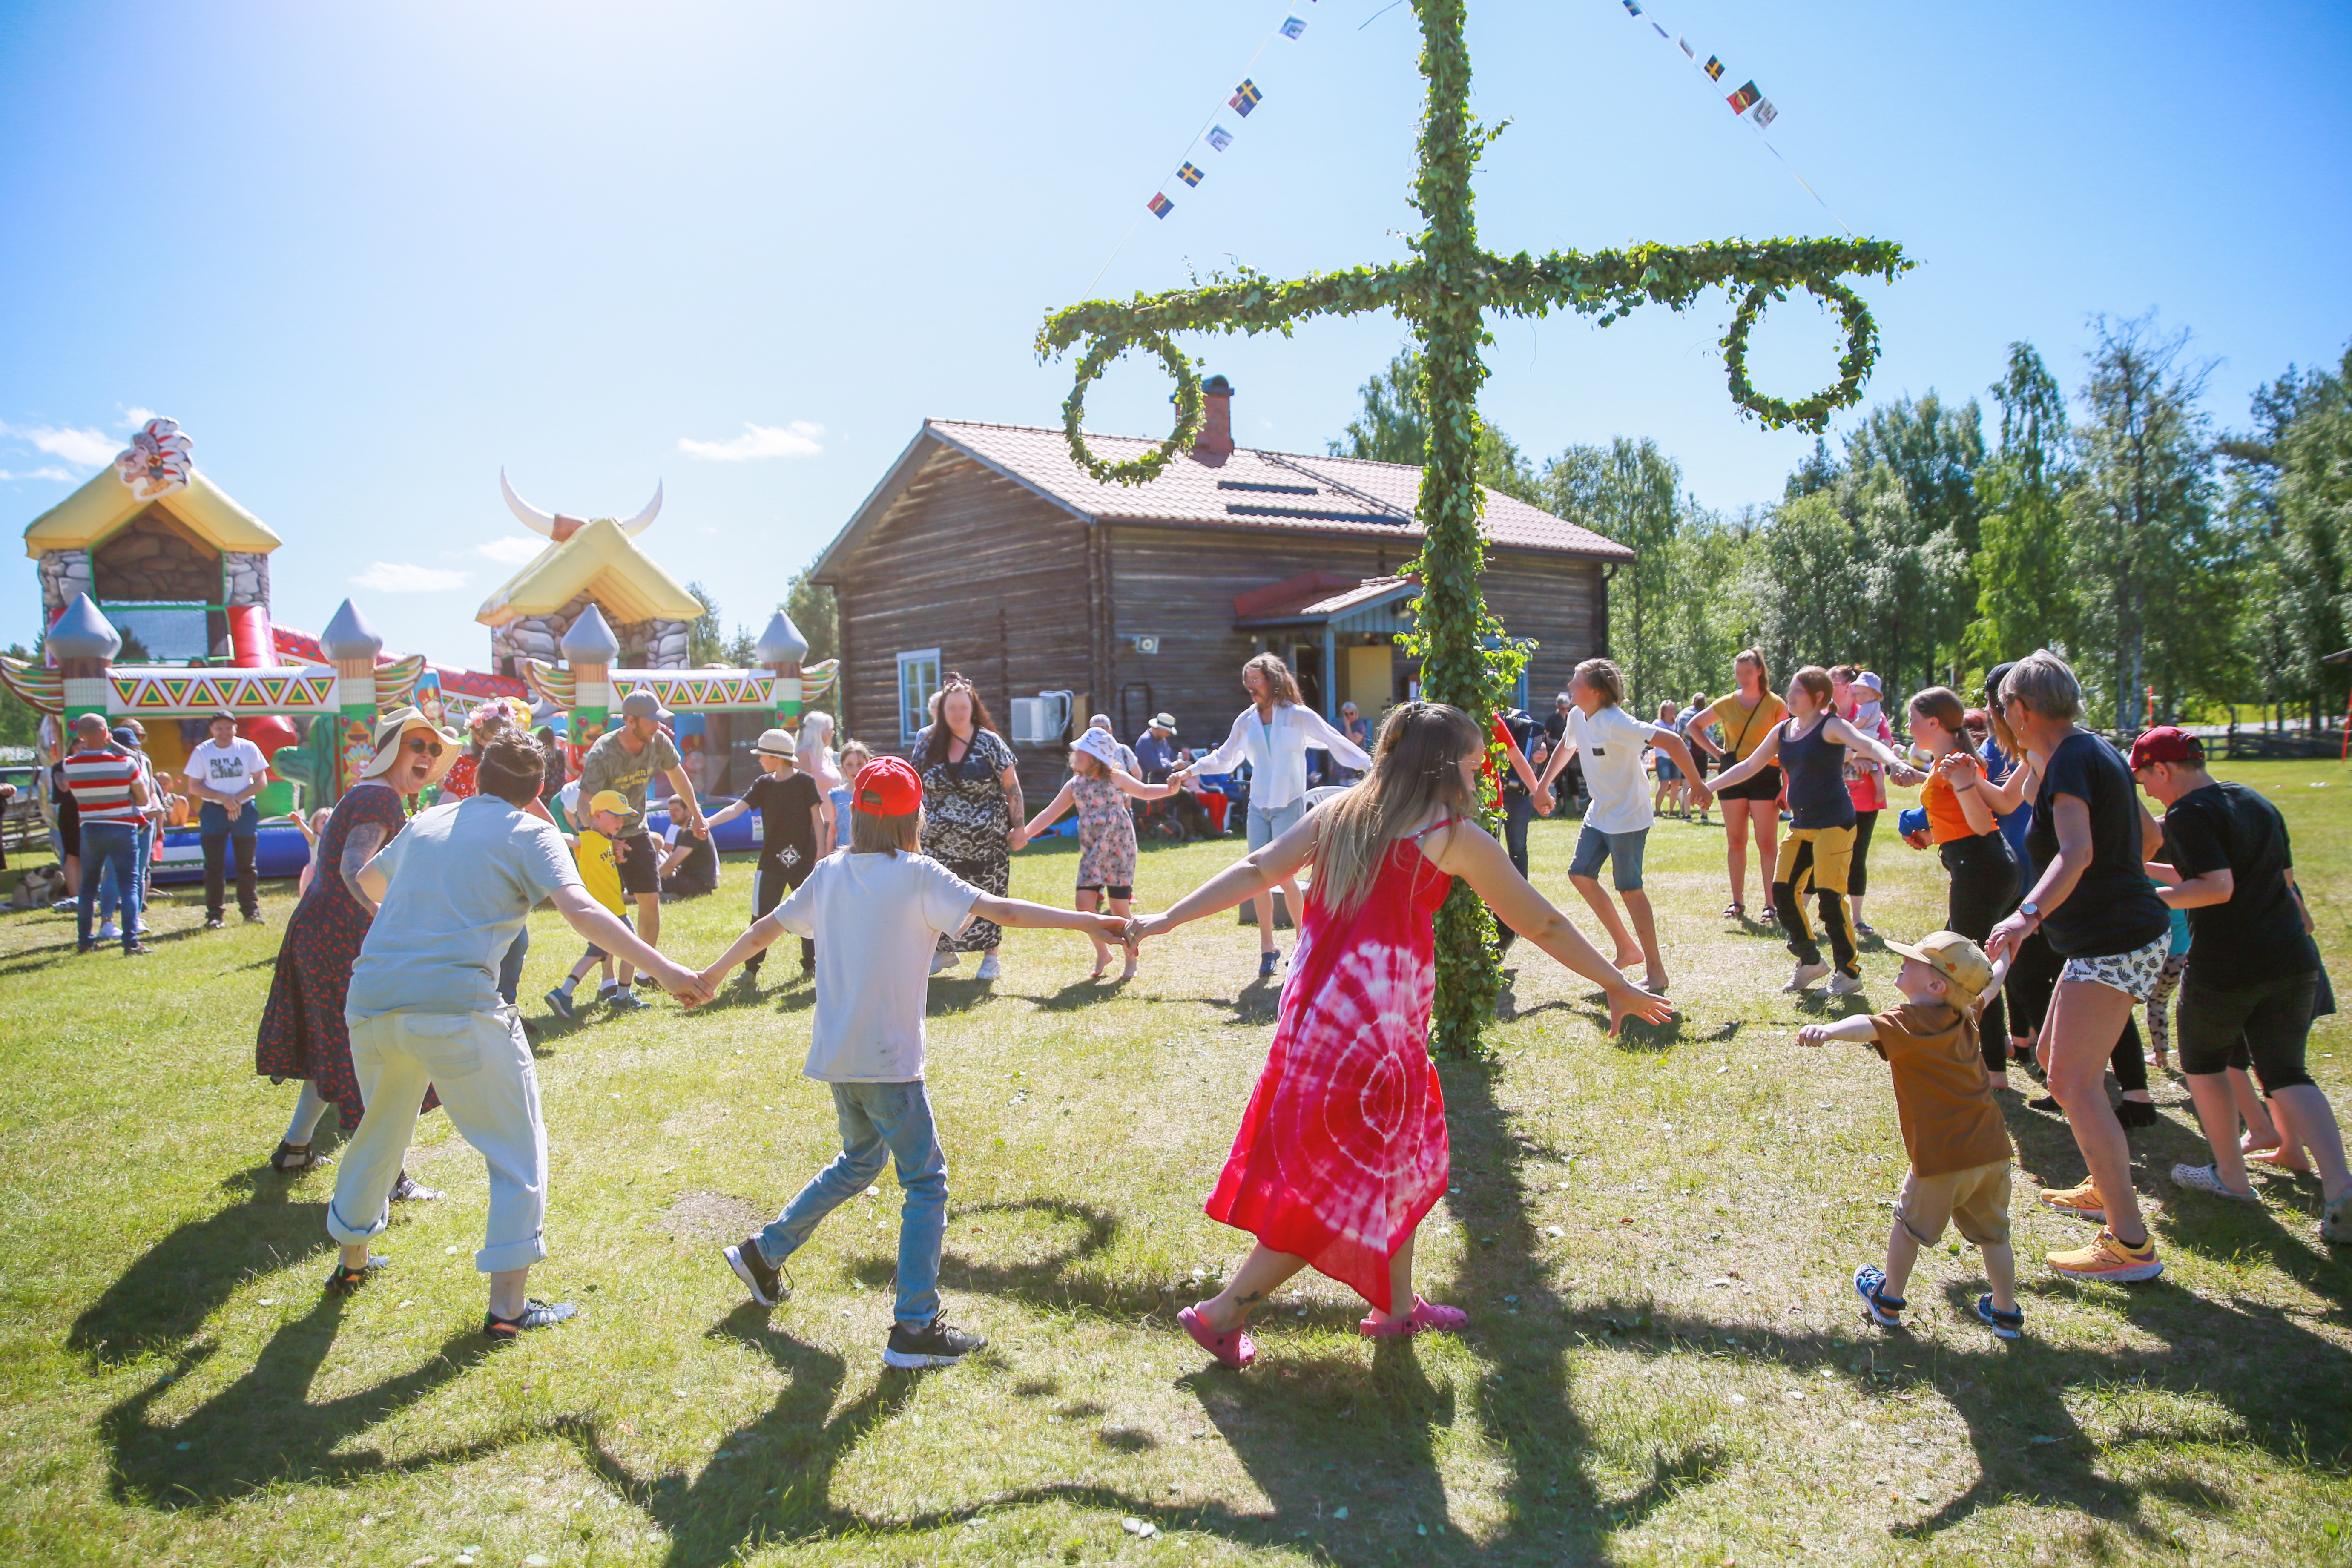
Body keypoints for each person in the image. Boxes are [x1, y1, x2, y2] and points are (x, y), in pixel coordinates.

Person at [1126, 702, 1673, 1369]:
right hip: (1371, 1036)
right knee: (1339, 1180)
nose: (1481, 772)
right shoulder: (1447, 834)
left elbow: (1256, 871)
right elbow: (1544, 924)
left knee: (1399, 1157)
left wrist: (1166, 919)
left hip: (1317, 1018)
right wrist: (1613, 980)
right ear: (1443, 768)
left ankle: (1395, 1307)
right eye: (1475, 762)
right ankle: (1222, 1312)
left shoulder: (1340, 812)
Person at [704, 756, 1126, 1366]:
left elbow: (764, 928)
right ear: (914, 819)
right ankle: (914, 1328)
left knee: (857, 1162)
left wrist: (710, 974)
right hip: (889, 1065)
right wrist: (1090, 919)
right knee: (925, 1183)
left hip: (840, 1060)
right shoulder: (919, 875)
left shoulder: (828, 874)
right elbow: (1003, 912)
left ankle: (762, 1254)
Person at [326, 732, 713, 1335]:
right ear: (537, 793)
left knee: (380, 1127)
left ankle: (352, 1262)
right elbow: (580, 910)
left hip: (372, 998)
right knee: (516, 1150)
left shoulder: (429, 819)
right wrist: (665, 970)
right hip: (455, 1004)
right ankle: (507, 1309)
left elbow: (370, 884)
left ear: (478, 776)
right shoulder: (530, 832)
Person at [1984, 650, 2170, 1284]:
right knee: (2066, 1074)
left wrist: (2024, 915)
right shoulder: (2094, 750)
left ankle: (2129, 1244)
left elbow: (2076, 850)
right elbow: (2146, 840)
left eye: (2004, 707)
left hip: (2112, 940)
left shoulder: (2067, 760)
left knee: (2075, 1084)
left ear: (2020, 709)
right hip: (2110, 936)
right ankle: (2105, 1185)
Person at [2129, 727, 2350, 1242]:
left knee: (2202, 1064)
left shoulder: (2188, 813)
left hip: (2230, 964)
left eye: (2146, 783)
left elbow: (2216, 885)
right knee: (2287, 1071)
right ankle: (2341, 1186)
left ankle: (2231, 1177)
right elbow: (2266, 877)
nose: (2150, 795)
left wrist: (2147, 899)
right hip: (2293, 957)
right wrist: (2139, 868)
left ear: (2163, 771)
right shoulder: (2253, 801)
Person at [255, 706, 459, 1185]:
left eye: (434, 749)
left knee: (336, 1047)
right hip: (339, 938)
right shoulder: (380, 800)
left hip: (322, 931)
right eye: (418, 745)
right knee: (376, 1057)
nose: (428, 756)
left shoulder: (377, 795)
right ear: (391, 750)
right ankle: (390, 1178)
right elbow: (354, 868)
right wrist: (391, 924)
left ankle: (295, 1150)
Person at [1798, 931, 2024, 1339]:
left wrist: (1828, 1031)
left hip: (1940, 1158)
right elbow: (1991, 985)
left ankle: (1887, 1301)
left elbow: (1864, 1026)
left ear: (1936, 985)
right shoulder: (1967, 1013)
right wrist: (2003, 956)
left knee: (1907, 1226)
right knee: (1995, 1235)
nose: (1903, 961)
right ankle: (2006, 1314)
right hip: (1991, 1150)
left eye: (1913, 961)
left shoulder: (1909, 1021)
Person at [1708, 666, 1919, 996]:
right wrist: (1710, 787)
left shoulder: (1831, 725)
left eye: (1796, 692)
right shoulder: (1783, 730)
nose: (1789, 697)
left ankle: (1849, 974)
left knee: (1830, 901)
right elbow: (1749, 766)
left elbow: (1867, 743)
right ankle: (1810, 962)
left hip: (1834, 823)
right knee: (1782, 894)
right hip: (1801, 825)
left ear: (1818, 697)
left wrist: (1895, 763)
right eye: (1789, 691)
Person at [1189, 653, 1373, 979]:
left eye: (1255, 681)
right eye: (1248, 683)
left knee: (1285, 878)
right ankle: (1267, 948)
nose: (1251, 688)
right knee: (1257, 879)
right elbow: (1225, 758)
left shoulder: (1298, 716)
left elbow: (1334, 740)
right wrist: (1191, 769)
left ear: (1272, 680)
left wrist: (1369, 766)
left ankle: (1304, 944)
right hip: (1258, 807)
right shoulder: (1246, 721)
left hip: (1289, 806)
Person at [1531, 659, 1708, 994]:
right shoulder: (1575, 716)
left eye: (1577, 682)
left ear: (1596, 692)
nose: (1570, 687)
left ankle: (1656, 973)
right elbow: (1567, 749)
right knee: (1580, 874)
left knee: (1629, 888)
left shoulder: (1617, 722)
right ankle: (1627, 949)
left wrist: (1697, 784)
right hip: (1600, 811)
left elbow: (1673, 742)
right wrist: (1543, 786)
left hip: (1628, 815)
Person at [1901, 687, 2022, 1085]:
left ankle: (1988, 1069)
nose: (1908, 725)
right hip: (1980, 864)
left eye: (1913, 718)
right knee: (1970, 966)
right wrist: (1930, 838)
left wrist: (1963, 783)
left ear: (1934, 723)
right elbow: (1962, 823)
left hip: (1981, 869)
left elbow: (1978, 823)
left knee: (1967, 971)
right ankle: (1988, 1066)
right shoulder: (1945, 763)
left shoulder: (1957, 763)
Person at [1020, 728, 1183, 980]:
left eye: (1083, 752)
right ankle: (1103, 952)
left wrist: (1170, 790)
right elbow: (1049, 814)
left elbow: (1145, 792)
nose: (1077, 756)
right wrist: (1026, 834)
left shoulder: (1117, 777)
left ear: (1097, 757)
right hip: (1092, 853)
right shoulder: (1075, 785)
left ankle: (1131, 959)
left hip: (1120, 850)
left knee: (1119, 908)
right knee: (1084, 907)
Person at [577, 689, 709, 993]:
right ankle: (608, 980)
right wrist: (603, 839)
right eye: (651, 721)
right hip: (602, 834)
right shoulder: (603, 752)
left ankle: (646, 973)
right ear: (630, 720)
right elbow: (585, 803)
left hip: (636, 830)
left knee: (650, 901)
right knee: (608, 911)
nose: (658, 727)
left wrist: (698, 815)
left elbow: (678, 777)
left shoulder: (659, 742)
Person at [915, 675, 1026, 983]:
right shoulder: (928, 744)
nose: (958, 713)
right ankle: (943, 951)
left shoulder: (989, 742)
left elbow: (1012, 787)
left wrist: (1020, 827)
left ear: (973, 708)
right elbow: (917, 788)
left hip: (985, 843)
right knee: (938, 897)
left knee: (988, 897)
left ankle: (991, 957)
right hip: (938, 843)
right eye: (952, 708)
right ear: (942, 710)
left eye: (964, 707)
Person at [699, 727, 828, 984]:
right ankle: (751, 970)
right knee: (761, 915)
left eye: (762, 755)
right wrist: (708, 823)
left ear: (776, 757)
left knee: (810, 914)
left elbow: (818, 817)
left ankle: (811, 965)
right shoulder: (763, 785)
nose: (759, 760)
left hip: (804, 861)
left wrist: (821, 855)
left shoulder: (804, 782)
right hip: (771, 861)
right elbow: (737, 809)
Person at [1687, 651, 1789, 923]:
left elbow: (1789, 744)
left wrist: (1786, 786)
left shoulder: (1775, 704)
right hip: (1732, 775)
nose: (1742, 677)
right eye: (1738, 672)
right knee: (1736, 841)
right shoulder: (1728, 703)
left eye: (1747, 672)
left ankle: (1771, 904)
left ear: (1759, 672)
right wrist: (1718, 753)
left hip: (1767, 775)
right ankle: (1737, 901)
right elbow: (1693, 726)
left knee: (1767, 843)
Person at [543, 790, 642, 1019]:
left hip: (611, 908)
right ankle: (621, 997)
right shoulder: (587, 839)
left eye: (623, 817)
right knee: (633, 948)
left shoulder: (606, 840)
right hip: (607, 910)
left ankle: (566, 993)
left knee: (600, 951)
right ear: (597, 815)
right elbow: (572, 840)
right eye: (615, 816)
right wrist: (552, 835)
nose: (621, 821)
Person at [60, 713, 152, 956]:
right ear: (106, 733)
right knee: (130, 886)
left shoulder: (70, 765)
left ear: (81, 735)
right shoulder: (125, 763)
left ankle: (85, 940)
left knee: (88, 888)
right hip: (123, 829)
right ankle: (131, 942)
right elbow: (143, 799)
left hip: (90, 829)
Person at [185, 709, 269, 928]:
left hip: (244, 810)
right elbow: (194, 786)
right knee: (214, 866)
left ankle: (251, 911)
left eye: (229, 728)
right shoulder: (202, 751)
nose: (225, 732)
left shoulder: (248, 748)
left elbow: (261, 781)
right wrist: (223, 798)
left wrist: (236, 800)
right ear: (212, 730)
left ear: (235, 728)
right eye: (219, 728)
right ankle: (214, 915)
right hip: (213, 812)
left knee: (247, 865)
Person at [1833, 668, 1894, 936]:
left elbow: (1885, 751)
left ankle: (1857, 918)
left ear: (1847, 686)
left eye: (1833, 681)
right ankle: (1824, 913)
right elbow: (1823, 754)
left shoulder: (1871, 712)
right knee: (1824, 856)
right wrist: (1855, 754)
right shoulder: (1827, 716)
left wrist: (1849, 752)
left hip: (1866, 799)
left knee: (1858, 857)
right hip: (1832, 797)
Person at [94, 724, 158, 941]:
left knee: (139, 873)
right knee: (113, 873)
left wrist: (155, 810)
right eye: (130, 746)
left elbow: (150, 792)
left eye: (136, 745)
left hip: (144, 821)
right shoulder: (110, 762)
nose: (135, 750)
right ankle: (107, 922)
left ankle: (135, 919)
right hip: (120, 822)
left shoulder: (143, 760)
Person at [797, 711, 845, 847]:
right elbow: (797, 792)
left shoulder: (827, 754)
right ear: (819, 732)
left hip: (835, 823)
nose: (833, 733)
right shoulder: (803, 754)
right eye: (830, 729)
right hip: (814, 826)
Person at [1681, 693, 1715, 825]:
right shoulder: (1708, 715)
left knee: (1686, 782)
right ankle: (1704, 813)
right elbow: (1711, 736)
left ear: (1693, 702)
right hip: (1702, 753)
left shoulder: (1684, 714)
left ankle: (1687, 814)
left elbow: (1679, 735)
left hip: (1687, 752)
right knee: (1703, 782)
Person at [831, 739, 871, 850]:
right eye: (849, 765)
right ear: (843, 767)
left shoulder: (874, 795)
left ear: (868, 765)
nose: (855, 769)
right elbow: (833, 830)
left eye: (860, 764)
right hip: (843, 856)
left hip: (869, 854)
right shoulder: (836, 795)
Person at [1649, 699, 1683, 820]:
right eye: (1670, 709)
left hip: (1676, 757)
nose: (1672, 712)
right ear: (1663, 711)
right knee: (1664, 784)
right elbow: (1653, 739)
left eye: (1674, 709)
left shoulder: (1677, 724)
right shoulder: (1658, 724)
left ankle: (1671, 810)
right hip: (1662, 757)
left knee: (1675, 783)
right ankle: (1658, 810)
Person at [1135, 713, 1183, 782]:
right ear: (1160, 729)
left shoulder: (1163, 741)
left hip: (1164, 782)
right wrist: (1173, 766)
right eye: (1167, 731)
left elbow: (1171, 757)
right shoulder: (1146, 741)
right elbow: (1154, 766)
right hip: (1150, 786)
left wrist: (1180, 764)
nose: (1169, 734)